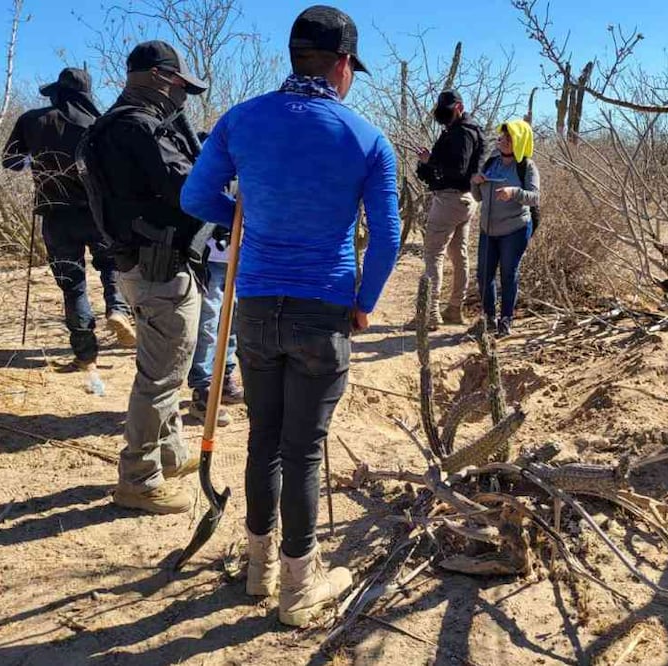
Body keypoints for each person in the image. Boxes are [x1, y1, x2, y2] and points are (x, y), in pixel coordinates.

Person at [181, 5, 401, 627]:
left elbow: (196, 197)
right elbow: (385, 236)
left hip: (252, 307)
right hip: (322, 307)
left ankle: (258, 570)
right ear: (340, 66)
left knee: (264, 438)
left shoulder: (240, 120)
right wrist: (365, 302)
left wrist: (250, 222)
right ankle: (299, 591)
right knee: (303, 450)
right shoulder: (365, 137)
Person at [80, 41, 211, 515]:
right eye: (181, 86)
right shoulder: (139, 128)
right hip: (161, 269)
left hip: (136, 265)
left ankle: (170, 454)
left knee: (163, 369)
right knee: (160, 377)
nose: (183, 97)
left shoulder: (107, 126)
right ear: (160, 77)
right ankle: (138, 476)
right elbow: (188, 190)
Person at [3, 67, 136, 371]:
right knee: (112, 266)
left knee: (72, 284)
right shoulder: (99, 125)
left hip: (55, 213)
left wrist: (36, 159)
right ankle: (117, 309)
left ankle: (85, 354)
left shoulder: (32, 120)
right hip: (98, 212)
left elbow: (10, 161)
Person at [411, 90, 485, 330]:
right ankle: (454, 309)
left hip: (450, 198)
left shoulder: (461, 133)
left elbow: (457, 169)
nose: (442, 113)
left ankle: (430, 314)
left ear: (459, 107)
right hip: (467, 199)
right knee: (458, 253)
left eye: (448, 108)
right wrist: (429, 163)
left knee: (434, 254)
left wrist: (430, 161)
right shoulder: (471, 131)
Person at [186, 131, 242, 426]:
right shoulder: (208, 166)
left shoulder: (250, 166)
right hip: (211, 258)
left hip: (239, 257)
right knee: (208, 322)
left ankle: (225, 375)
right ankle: (203, 386)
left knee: (231, 320)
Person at [471, 119, 540, 337]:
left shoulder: (526, 167)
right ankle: (489, 319)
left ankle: (506, 320)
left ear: (520, 141)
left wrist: (514, 192)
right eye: (502, 137)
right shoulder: (491, 162)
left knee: (508, 274)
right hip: (488, 229)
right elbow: (477, 196)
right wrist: (476, 181)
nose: (503, 141)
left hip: (515, 230)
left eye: (509, 138)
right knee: (484, 275)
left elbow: (535, 197)